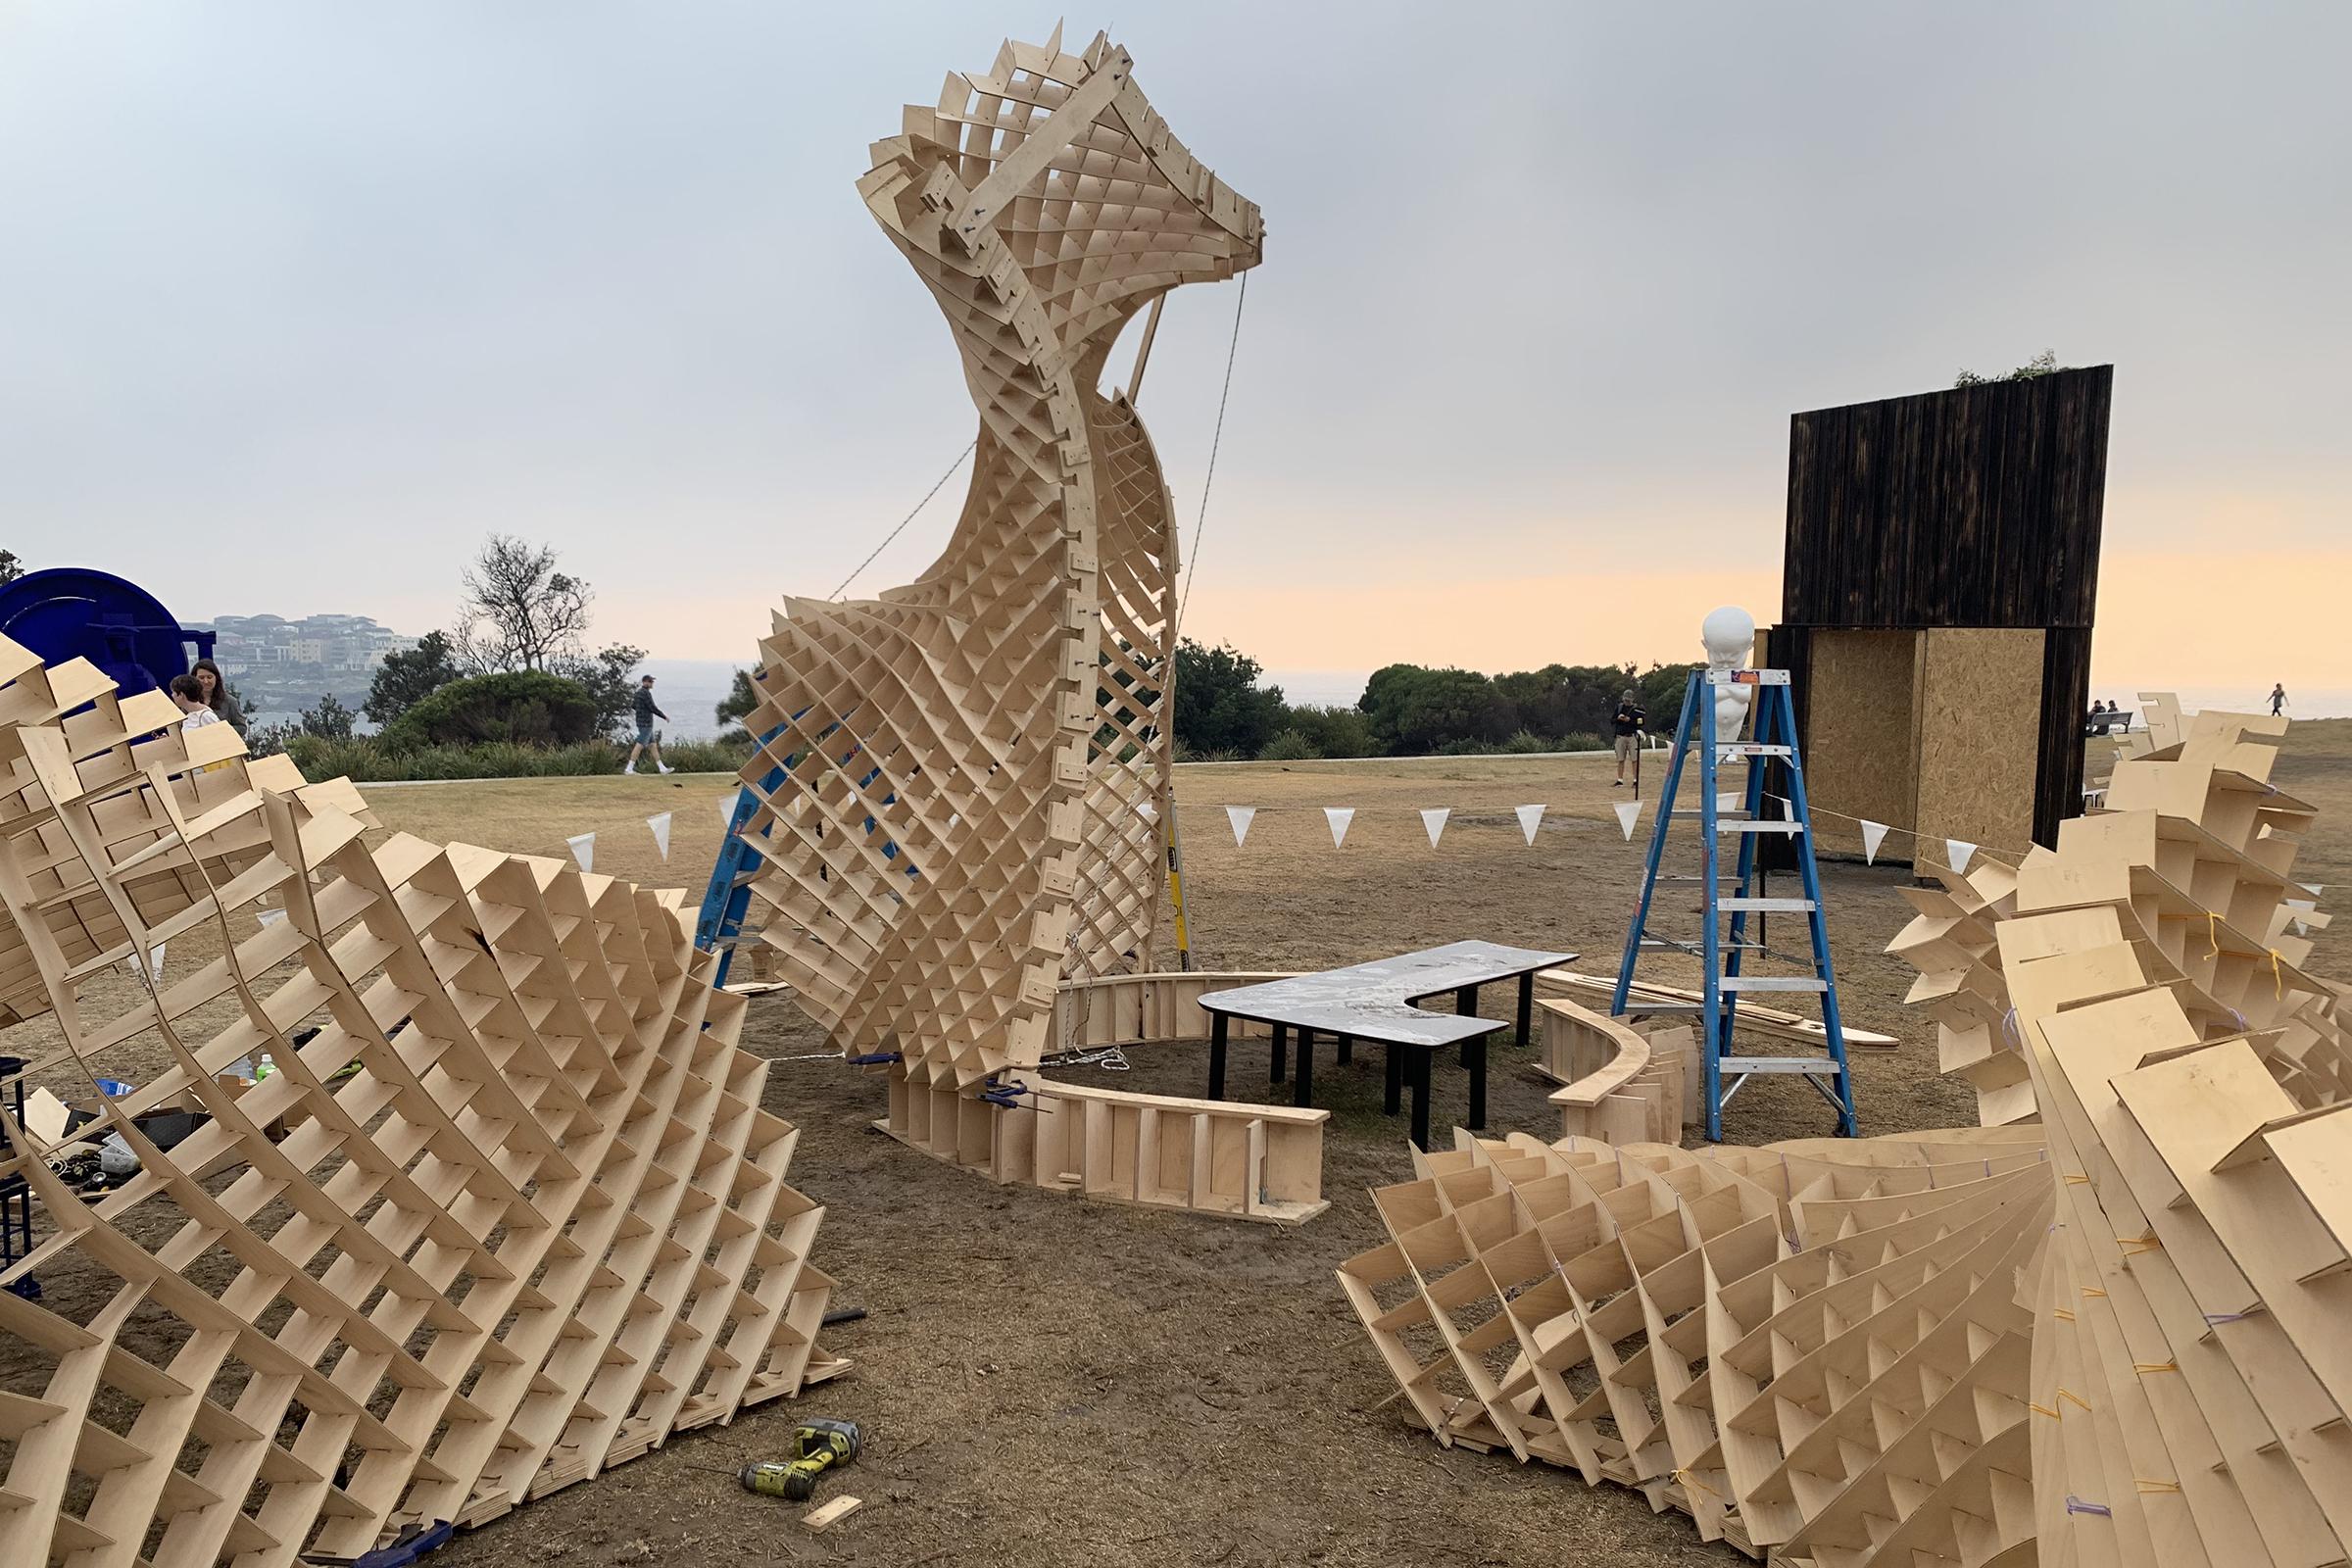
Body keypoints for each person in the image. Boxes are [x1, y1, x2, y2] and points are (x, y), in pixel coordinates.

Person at [624, 674, 673, 775]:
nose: (652, 683)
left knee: (652, 745)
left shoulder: (638, 693)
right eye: (650, 682)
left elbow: (633, 706)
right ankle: (629, 768)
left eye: (652, 682)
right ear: (645, 682)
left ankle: (662, 768)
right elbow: (652, 707)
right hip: (646, 723)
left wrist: (641, 711)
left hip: (641, 722)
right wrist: (664, 716)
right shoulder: (645, 693)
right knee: (640, 744)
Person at [189, 659, 246, 735]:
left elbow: (242, 728)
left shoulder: (230, 702)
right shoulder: (189, 702)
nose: (206, 681)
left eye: (209, 677)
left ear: (216, 678)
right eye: (201, 678)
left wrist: (219, 730)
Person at [1610, 688, 1645, 786]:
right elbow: (1612, 721)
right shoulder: (1619, 707)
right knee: (1620, 759)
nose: (1626, 702)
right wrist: (1618, 719)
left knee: (1634, 759)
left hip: (1633, 736)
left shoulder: (1638, 709)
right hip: (1620, 736)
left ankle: (1635, 780)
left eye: (1628, 700)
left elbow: (1642, 722)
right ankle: (1620, 780)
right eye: (1625, 700)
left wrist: (1630, 720)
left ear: (1632, 699)